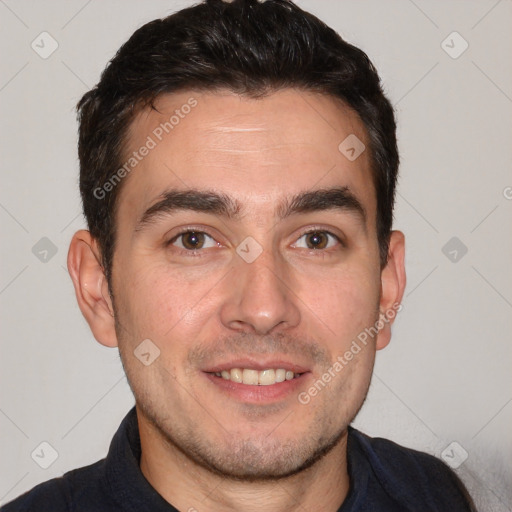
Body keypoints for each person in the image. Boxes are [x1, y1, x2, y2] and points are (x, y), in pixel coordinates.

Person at [2, 0, 477, 510]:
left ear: (388, 285)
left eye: (316, 239)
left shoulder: (434, 494)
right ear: (98, 290)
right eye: (194, 240)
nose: (264, 309)